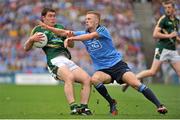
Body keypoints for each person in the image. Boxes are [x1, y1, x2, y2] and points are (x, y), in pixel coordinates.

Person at [38, 11, 168, 115]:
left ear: (96, 21)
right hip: (103, 70)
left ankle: (159, 105)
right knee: (94, 79)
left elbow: (90, 37)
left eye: (89, 19)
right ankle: (111, 102)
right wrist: (47, 27)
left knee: (136, 84)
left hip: (118, 66)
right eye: (86, 18)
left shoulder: (102, 30)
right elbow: (63, 32)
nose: (86, 20)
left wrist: (72, 38)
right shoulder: (83, 33)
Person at [24, 8, 92, 115]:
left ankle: (84, 108)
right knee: (69, 77)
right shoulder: (38, 29)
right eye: (50, 16)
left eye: (54, 16)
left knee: (87, 79)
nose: (53, 18)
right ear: (43, 17)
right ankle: (73, 107)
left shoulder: (60, 28)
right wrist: (31, 39)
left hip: (66, 59)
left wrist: (70, 38)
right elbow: (26, 48)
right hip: (54, 60)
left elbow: (71, 46)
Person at [122, 1, 180, 92]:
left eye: (169, 7)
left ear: (174, 9)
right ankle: (131, 80)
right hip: (162, 49)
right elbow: (155, 34)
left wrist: (176, 39)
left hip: (172, 50)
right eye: (166, 8)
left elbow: (174, 36)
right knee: (152, 72)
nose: (167, 10)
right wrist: (169, 36)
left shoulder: (177, 21)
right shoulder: (163, 19)